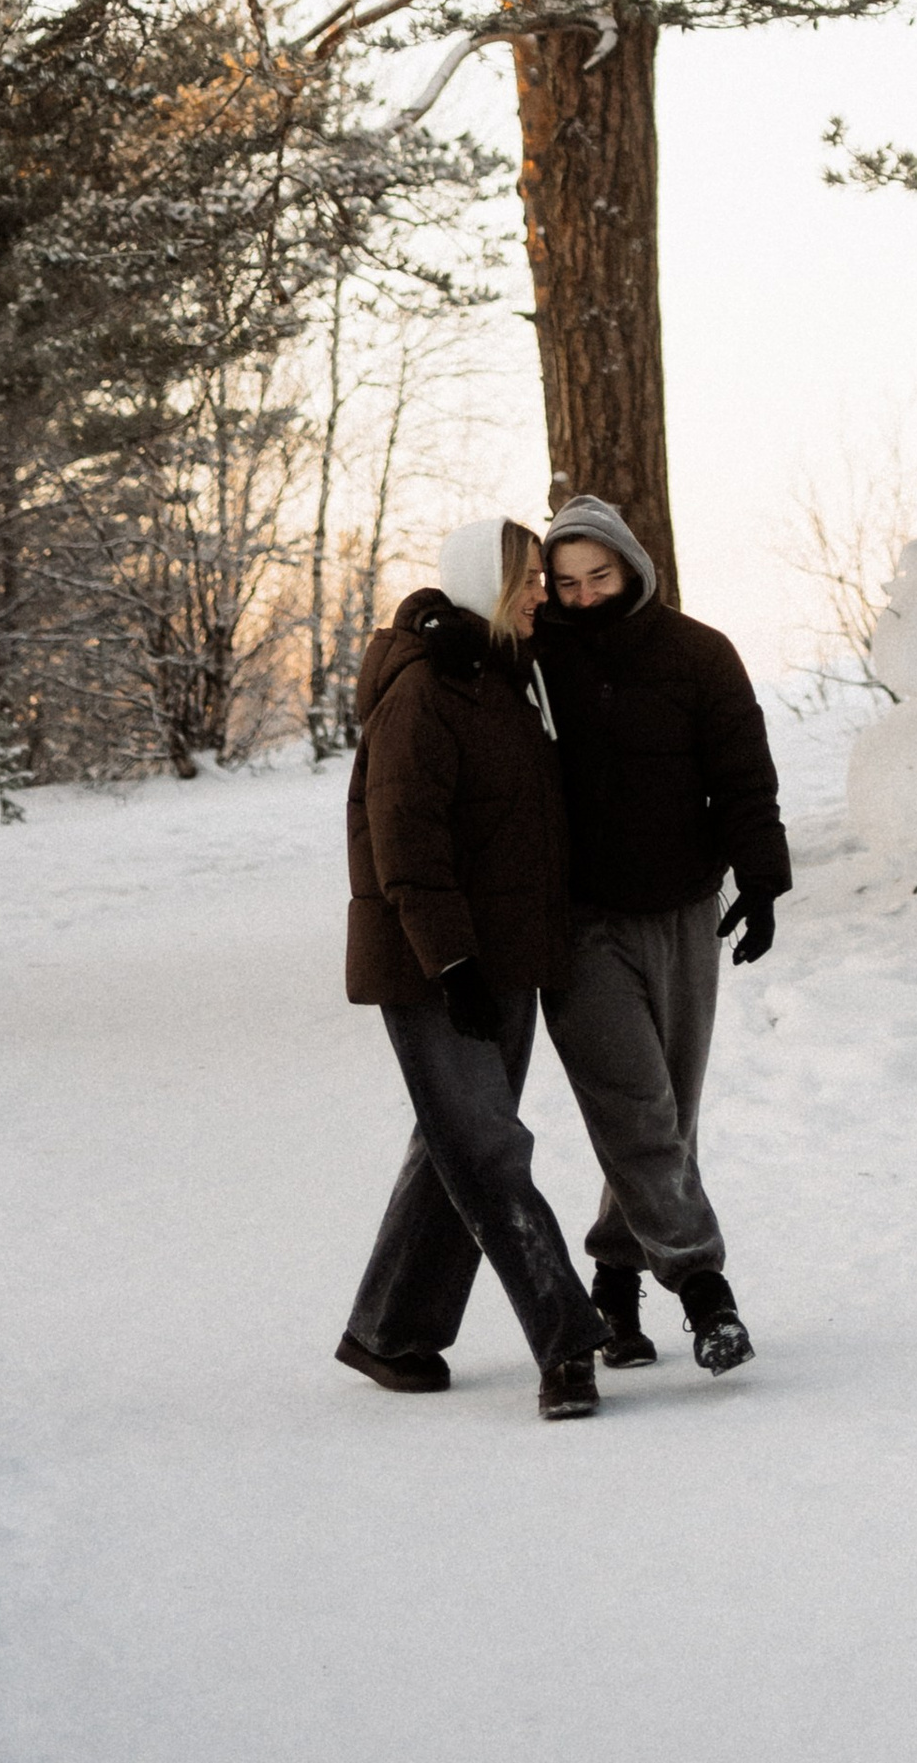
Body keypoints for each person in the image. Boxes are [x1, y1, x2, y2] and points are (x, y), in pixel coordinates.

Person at [336, 518, 609, 1423]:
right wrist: (451, 962)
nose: (540, 592)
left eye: (539, 578)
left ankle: (390, 1330)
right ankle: (566, 1340)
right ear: (478, 585)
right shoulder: (425, 689)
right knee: (489, 1150)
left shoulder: (506, 676)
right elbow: (404, 843)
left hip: (506, 959)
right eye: (524, 578)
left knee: (455, 1144)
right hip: (438, 965)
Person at [536, 494, 792, 1377]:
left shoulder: (699, 652)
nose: (583, 596)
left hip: (683, 909)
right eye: (566, 583)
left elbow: (744, 772)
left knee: (667, 1110)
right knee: (636, 1108)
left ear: (634, 568)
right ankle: (704, 1290)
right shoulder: (534, 659)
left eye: (599, 576)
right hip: (578, 920)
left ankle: (613, 1281)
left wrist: (762, 878)